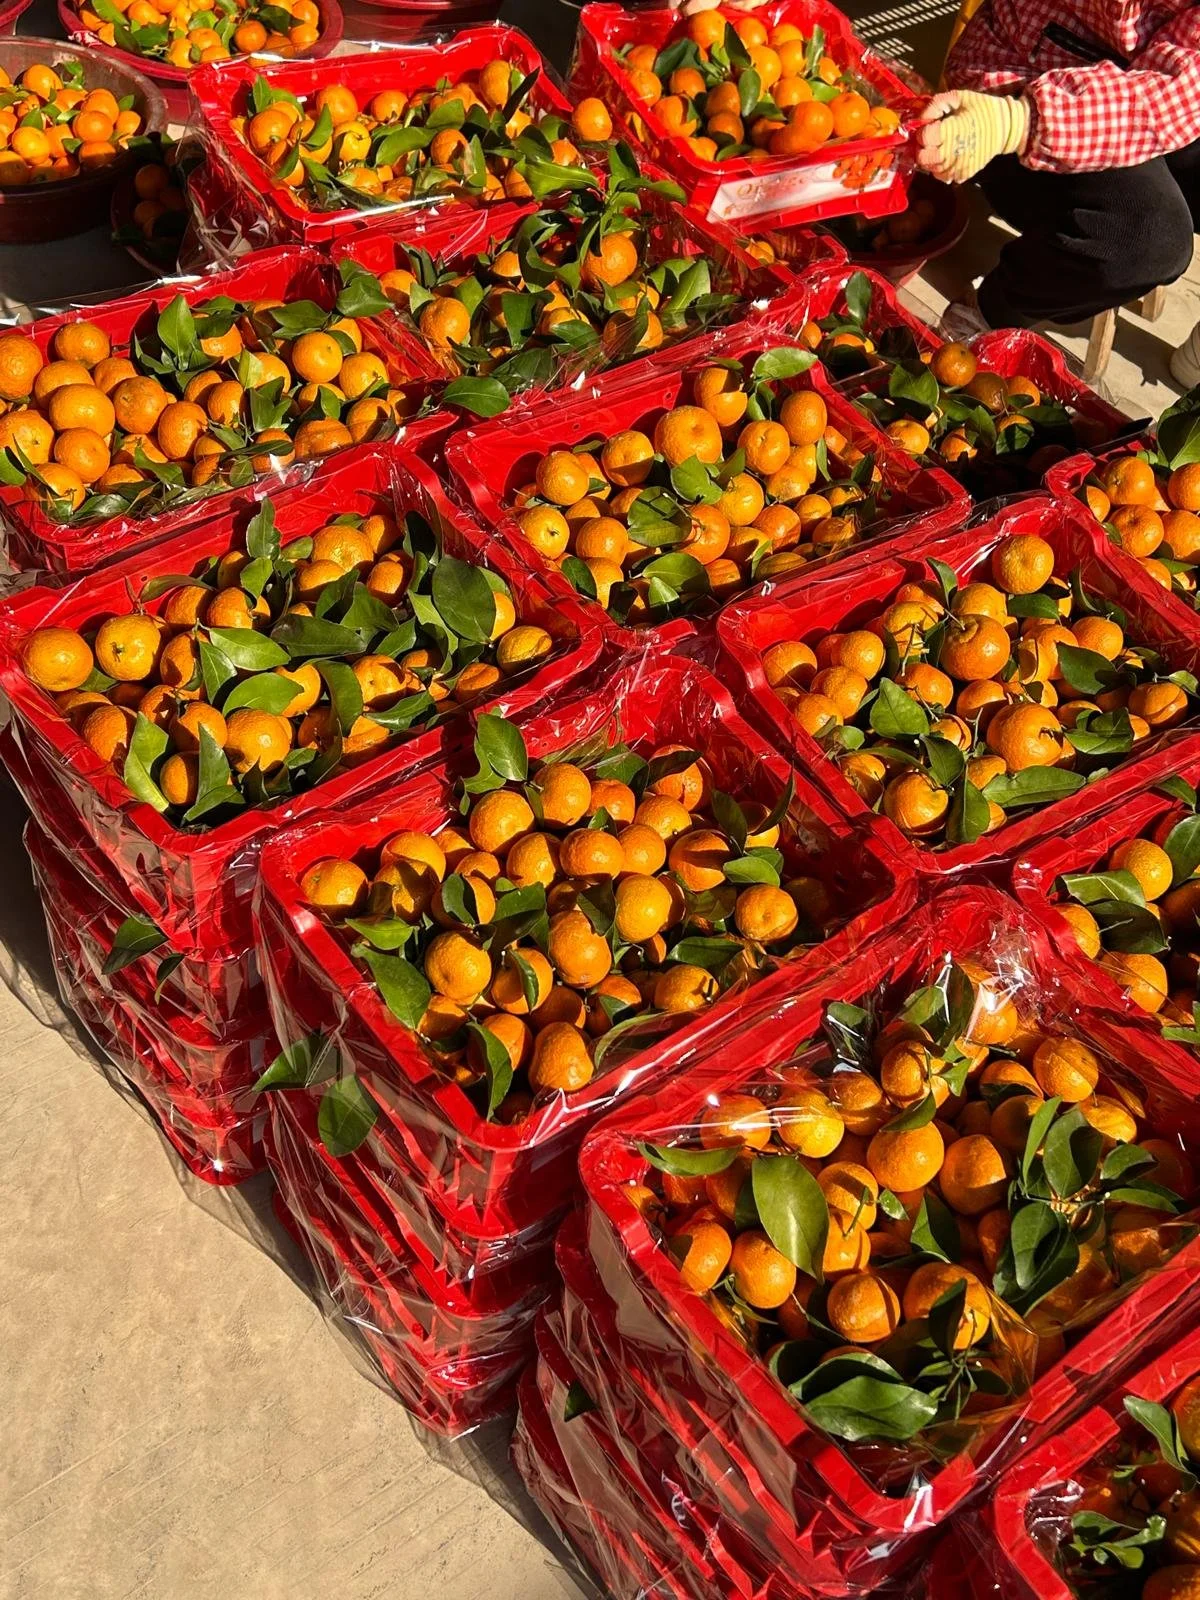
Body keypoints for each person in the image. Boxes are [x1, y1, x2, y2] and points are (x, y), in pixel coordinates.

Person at [917, 1, 1200, 386]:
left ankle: (1195, 354)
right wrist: (1016, 122)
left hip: (1155, 87)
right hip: (1019, 80)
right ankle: (991, 311)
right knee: (1148, 237)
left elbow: (1178, 89)